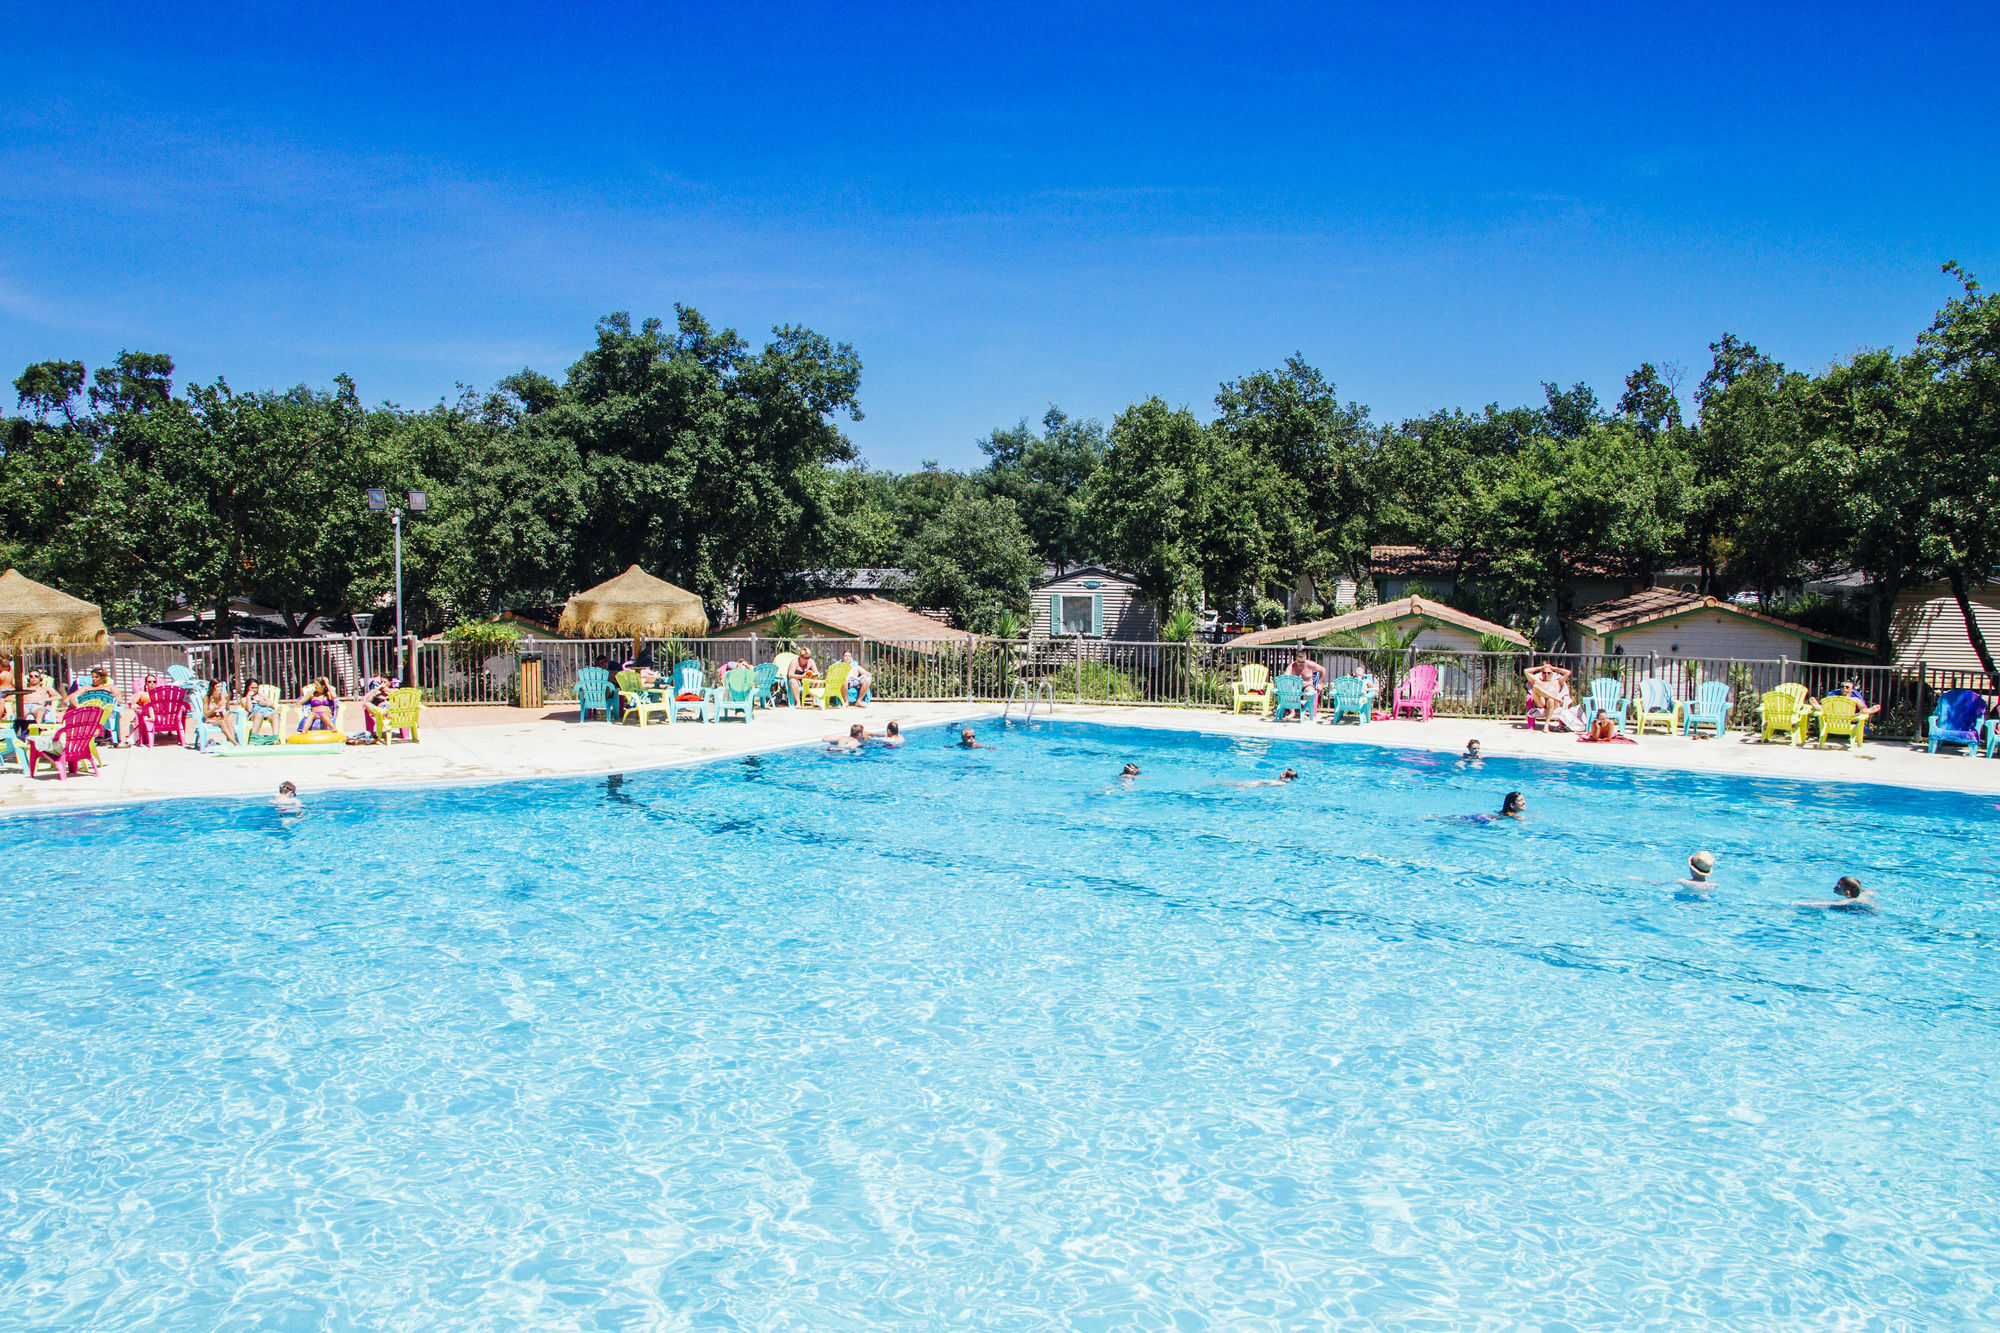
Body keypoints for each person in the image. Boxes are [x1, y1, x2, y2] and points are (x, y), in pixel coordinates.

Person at [1523, 663, 1577, 731]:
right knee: (1536, 687)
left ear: (1552, 674)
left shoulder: (1557, 682)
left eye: (1549, 673)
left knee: (1550, 700)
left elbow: (1568, 673)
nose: (1546, 675)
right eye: (1544, 673)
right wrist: (1541, 667)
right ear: (1542, 673)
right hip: (1541, 702)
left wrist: (1554, 668)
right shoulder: (1537, 681)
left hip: (1552, 703)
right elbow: (1526, 671)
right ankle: (1554, 698)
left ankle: (1546, 725)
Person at [1798, 875, 1878, 913]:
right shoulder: (1862, 893)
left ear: (1847, 893)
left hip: (1867, 913)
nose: (1834, 888)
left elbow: (1831, 904)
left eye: (1838, 887)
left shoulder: (1850, 901)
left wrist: (1805, 904)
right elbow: (1871, 891)